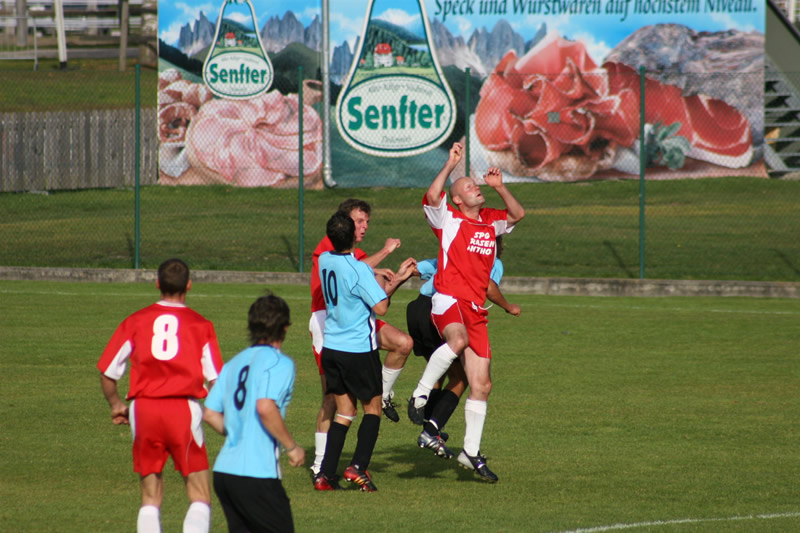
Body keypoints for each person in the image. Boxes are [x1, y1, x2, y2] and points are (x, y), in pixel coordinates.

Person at [407, 142, 525, 482]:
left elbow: (518, 215)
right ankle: (421, 393)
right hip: (447, 299)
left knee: (481, 384)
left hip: (475, 308)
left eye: (476, 185)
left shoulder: (490, 221)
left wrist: (500, 187)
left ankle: (470, 452)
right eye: (468, 186)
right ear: (457, 199)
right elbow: (432, 196)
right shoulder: (449, 219)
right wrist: (450, 165)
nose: (475, 187)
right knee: (456, 340)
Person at [97, 258, 223, 533]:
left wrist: (117, 405)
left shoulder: (135, 321)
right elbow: (217, 381)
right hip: (183, 410)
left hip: (144, 410)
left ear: (157, 284)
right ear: (189, 285)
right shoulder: (201, 325)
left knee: (150, 498)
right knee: (200, 494)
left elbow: (107, 371)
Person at [308, 198, 415, 477]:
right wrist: (389, 269)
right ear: (343, 223)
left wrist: (377, 273)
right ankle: (328, 462)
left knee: (403, 343)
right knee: (336, 401)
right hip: (336, 329)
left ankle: (326, 473)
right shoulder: (331, 251)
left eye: (367, 221)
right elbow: (372, 296)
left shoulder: (333, 259)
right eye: (358, 221)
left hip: (342, 332)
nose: (364, 226)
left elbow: (358, 280)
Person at [406, 236, 521, 457]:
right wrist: (508, 306)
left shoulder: (453, 253)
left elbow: (416, 269)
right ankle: (431, 429)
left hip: (418, 310)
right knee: (461, 378)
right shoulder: (491, 261)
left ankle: (429, 426)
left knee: (438, 370)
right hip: (444, 312)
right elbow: (488, 286)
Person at [203, 292, 305, 533]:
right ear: (286, 327)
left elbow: (209, 413)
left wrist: (237, 429)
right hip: (257, 474)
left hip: (225, 473)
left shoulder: (235, 362)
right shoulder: (280, 363)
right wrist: (292, 447)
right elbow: (265, 406)